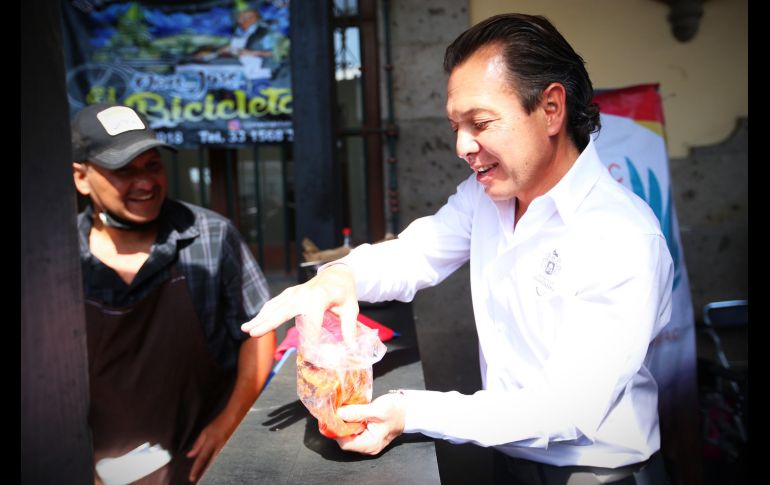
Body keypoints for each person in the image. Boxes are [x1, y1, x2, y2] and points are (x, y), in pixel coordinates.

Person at [242, 13, 673, 485]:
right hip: (507, 457)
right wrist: (340, 277)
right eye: (456, 127)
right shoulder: (487, 197)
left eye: (480, 123)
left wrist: (410, 411)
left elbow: (565, 408)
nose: (463, 146)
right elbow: (417, 252)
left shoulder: (622, 237)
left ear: (551, 108)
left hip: (592, 473)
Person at [71, 102, 275, 484]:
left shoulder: (210, 236)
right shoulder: (57, 257)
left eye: (152, 165)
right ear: (81, 177)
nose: (146, 183)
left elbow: (259, 329)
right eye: (124, 170)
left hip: (198, 464)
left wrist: (229, 423)